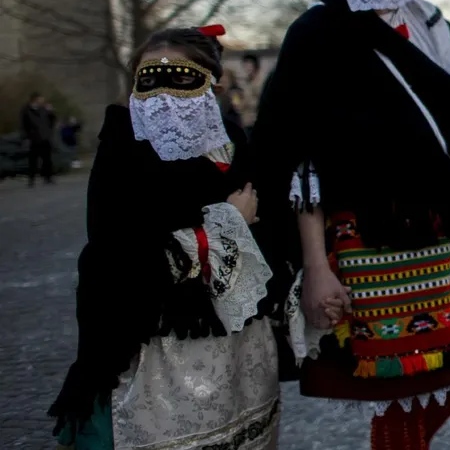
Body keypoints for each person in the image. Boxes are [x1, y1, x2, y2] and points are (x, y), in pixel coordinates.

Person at [250, 0, 450, 450]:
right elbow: (296, 156)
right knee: (401, 389)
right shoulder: (315, 34)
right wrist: (315, 264)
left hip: (441, 236)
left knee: (448, 381)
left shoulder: (437, 28)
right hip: (370, 239)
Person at [48, 25, 286, 450]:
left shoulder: (230, 141)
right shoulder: (122, 142)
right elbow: (118, 249)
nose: (163, 93)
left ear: (210, 82)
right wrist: (230, 221)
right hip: (160, 342)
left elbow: (265, 232)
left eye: (180, 78)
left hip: (237, 341)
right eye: (148, 78)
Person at [20, 92, 56, 186]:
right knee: (33, 160)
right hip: (34, 139)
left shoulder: (44, 109)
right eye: (40, 99)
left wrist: (51, 112)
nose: (42, 101)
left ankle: (48, 178)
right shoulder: (26, 110)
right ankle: (31, 179)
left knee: (47, 159)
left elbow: (52, 121)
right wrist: (26, 137)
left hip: (45, 137)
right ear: (35, 99)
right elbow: (24, 125)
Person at [236, 53, 266, 134]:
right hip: (246, 121)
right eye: (245, 66)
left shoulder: (262, 81)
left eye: (249, 65)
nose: (247, 68)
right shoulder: (244, 82)